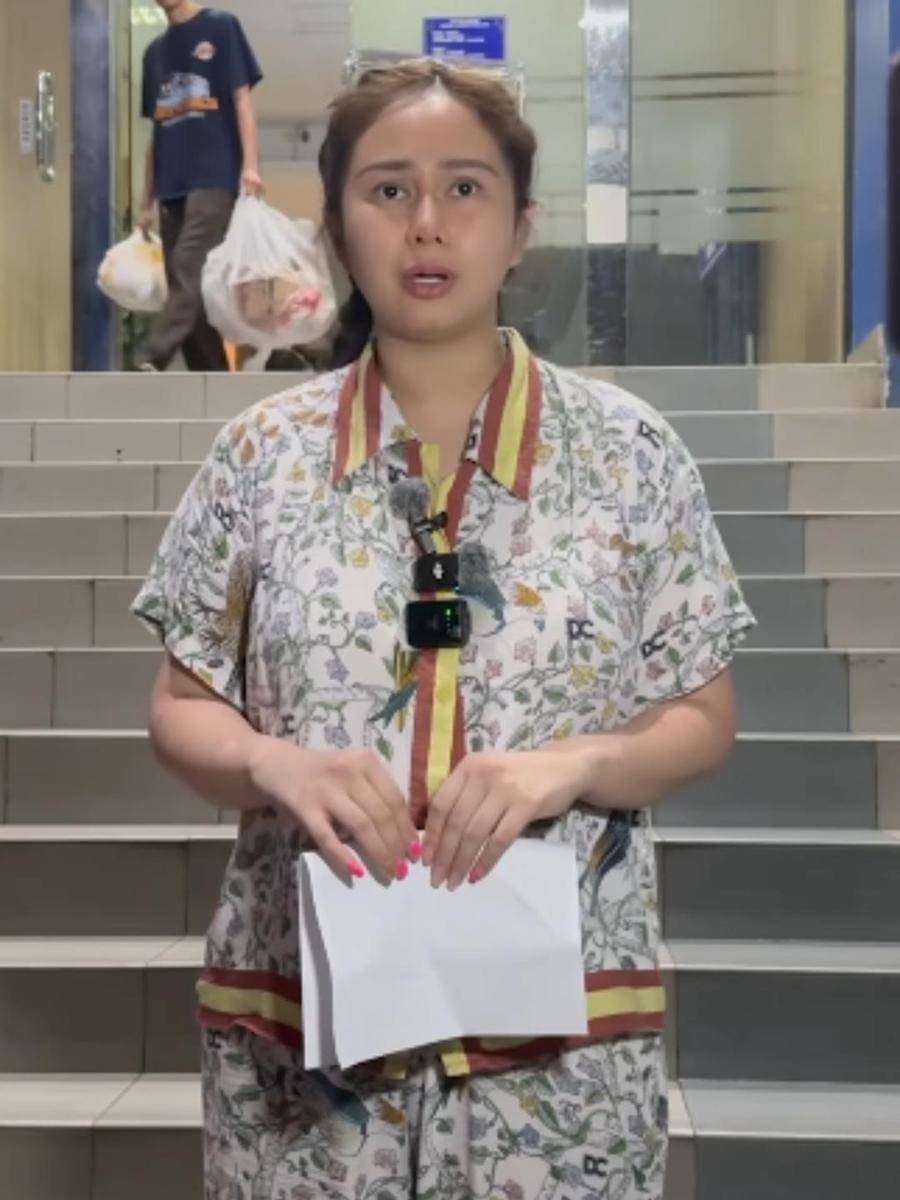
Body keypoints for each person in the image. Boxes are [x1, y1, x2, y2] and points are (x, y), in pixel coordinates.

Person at [131, 59, 756, 1199]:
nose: (427, 223)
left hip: (559, 1057)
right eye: (388, 191)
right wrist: (274, 762)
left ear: (520, 227)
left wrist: (576, 764)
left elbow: (702, 715)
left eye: (466, 188)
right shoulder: (261, 458)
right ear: (336, 228)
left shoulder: (631, 456)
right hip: (305, 1047)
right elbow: (181, 708)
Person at [135, 0, 263, 372]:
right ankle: (212, 379)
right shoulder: (154, 53)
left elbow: (242, 100)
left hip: (216, 174)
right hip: (172, 182)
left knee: (188, 264)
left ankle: (152, 356)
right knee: (189, 285)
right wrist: (146, 201)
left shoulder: (221, 26)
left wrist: (251, 167)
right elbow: (157, 132)